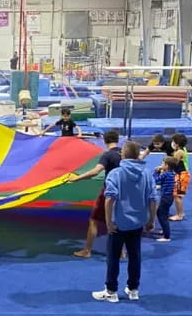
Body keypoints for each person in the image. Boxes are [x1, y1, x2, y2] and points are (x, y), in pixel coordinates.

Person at [92, 141, 157, 303]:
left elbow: (109, 200)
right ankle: (133, 289)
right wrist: (151, 220)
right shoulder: (147, 174)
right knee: (135, 256)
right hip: (137, 223)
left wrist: (108, 221)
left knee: (113, 257)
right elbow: (153, 199)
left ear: (123, 155)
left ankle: (111, 291)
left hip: (118, 224)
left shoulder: (115, 174)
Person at [69, 130, 121, 258]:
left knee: (94, 220)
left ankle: (87, 250)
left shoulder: (107, 155)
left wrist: (77, 178)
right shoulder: (124, 153)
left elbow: (96, 171)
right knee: (118, 220)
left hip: (109, 190)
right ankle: (120, 252)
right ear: (117, 140)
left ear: (105, 141)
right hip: (123, 191)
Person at [153, 156, 178, 242]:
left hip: (165, 197)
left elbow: (156, 180)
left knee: (161, 215)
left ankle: (167, 236)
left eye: (162, 163)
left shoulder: (166, 174)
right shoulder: (173, 174)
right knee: (165, 214)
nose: (161, 165)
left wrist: (156, 172)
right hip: (170, 197)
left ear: (166, 166)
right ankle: (165, 230)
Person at [169, 133, 190, 221]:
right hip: (182, 174)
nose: (172, 143)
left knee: (177, 196)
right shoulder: (183, 149)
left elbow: (173, 163)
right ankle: (180, 213)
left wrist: (162, 168)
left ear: (177, 143)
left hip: (182, 175)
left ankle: (179, 215)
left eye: (173, 142)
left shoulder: (179, 152)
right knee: (177, 195)